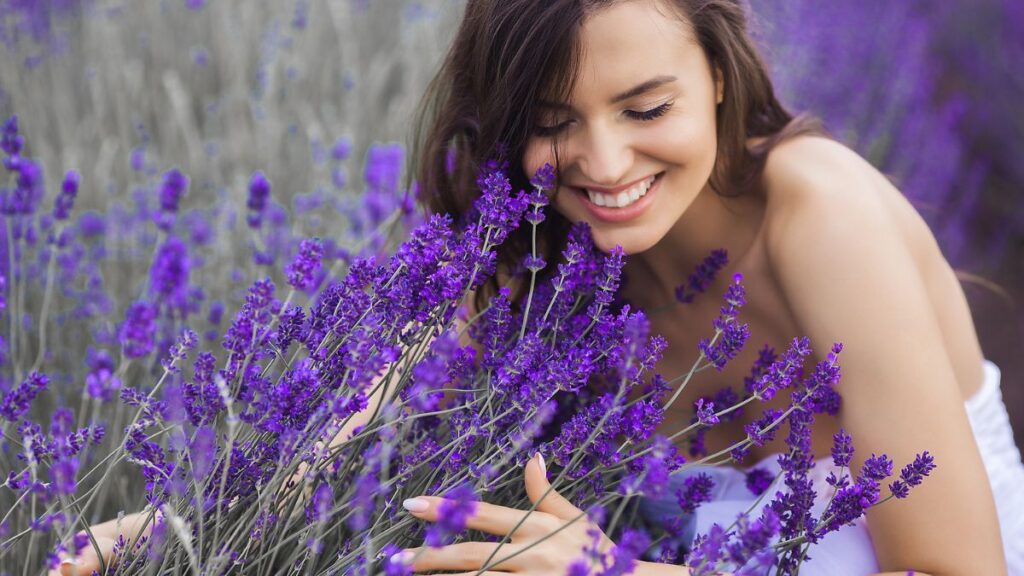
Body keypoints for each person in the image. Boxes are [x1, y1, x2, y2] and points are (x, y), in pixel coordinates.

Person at [57, 0, 1024, 574]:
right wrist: (162, 534)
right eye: (555, 121)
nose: (604, 164)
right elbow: (354, 425)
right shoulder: (545, 255)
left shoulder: (819, 217)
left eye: (647, 107)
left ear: (719, 76)